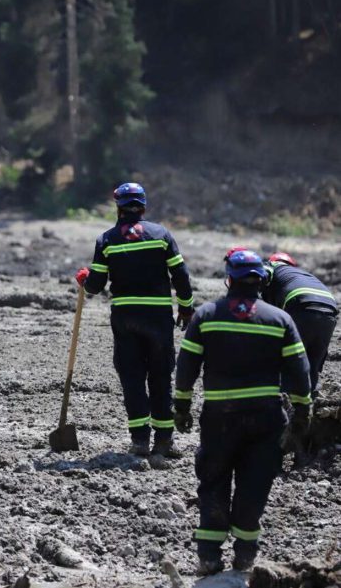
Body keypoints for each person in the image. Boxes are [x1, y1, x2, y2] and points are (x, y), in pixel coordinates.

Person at [174, 249, 312, 574]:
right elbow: (300, 371)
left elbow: (187, 364)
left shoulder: (207, 315)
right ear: (263, 281)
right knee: (255, 482)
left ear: (229, 279)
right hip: (266, 417)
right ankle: (245, 555)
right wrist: (303, 412)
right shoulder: (280, 319)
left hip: (220, 416)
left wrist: (181, 404)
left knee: (214, 478)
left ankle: (209, 555)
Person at [76, 182, 195, 457]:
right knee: (160, 376)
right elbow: (181, 276)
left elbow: (95, 285)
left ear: (118, 207)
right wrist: (186, 308)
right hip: (158, 319)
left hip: (125, 318)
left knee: (132, 378)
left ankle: (140, 441)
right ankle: (164, 441)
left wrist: (85, 281)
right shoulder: (161, 234)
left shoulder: (106, 239)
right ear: (143, 206)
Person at [263, 252, 338, 396]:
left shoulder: (273, 266)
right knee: (312, 365)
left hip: (301, 306)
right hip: (329, 310)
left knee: (287, 360)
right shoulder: (302, 274)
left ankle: (284, 404)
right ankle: (308, 411)